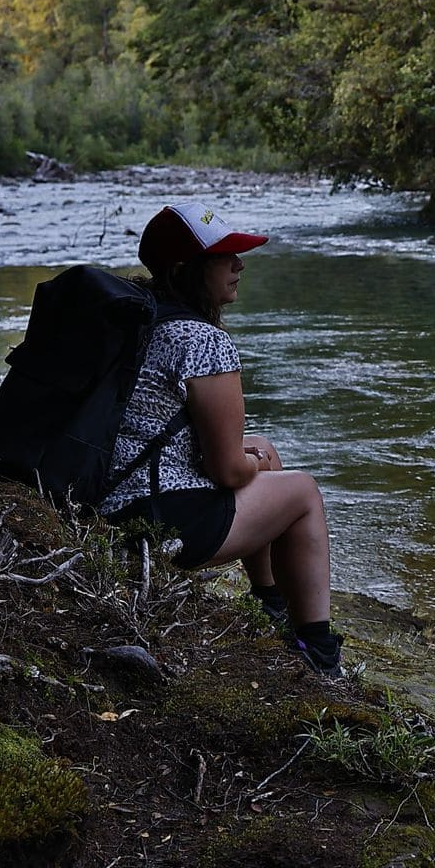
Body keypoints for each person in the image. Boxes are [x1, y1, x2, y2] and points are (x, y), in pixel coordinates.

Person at [99, 201, 344, 677]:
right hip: (158, 521)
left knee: (265, 449)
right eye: (224, 256)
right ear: (185, 270)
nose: (239, 265)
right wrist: (246, 463)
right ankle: (318, 650)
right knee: (303, 492)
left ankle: (270, 605)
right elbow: (227, 471)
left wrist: (254, 457)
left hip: (106, 504)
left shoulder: (136, 320)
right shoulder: (201, 340)